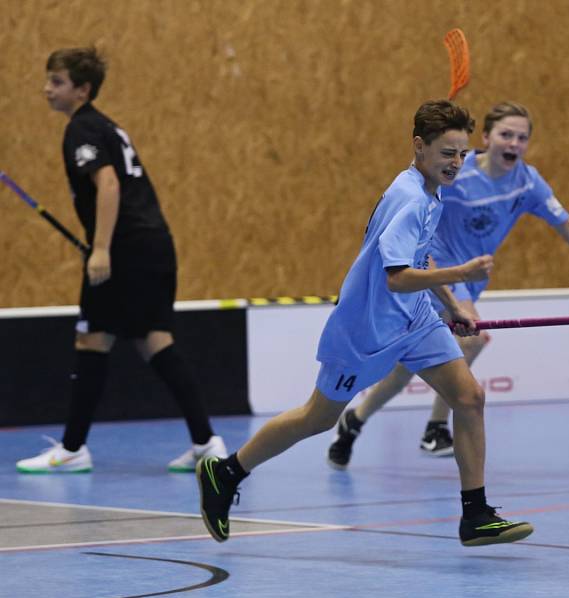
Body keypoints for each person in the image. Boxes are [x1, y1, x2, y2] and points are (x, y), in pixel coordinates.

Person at [196, 100, 533, 547]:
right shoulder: (411, 199)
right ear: (419, 146)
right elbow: (397, 276)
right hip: (367, 331)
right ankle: (226, 472)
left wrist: (451, 305)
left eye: (462, 153)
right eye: (447, 153)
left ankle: (476, 514)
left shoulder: (430, 190)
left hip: (414, 318)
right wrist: (460, 274)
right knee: (316, 417)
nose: (456, 163)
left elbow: (420, 254)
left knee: (469, 397)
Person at [327, 100, 569, 468]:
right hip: (436, 270)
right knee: (472, 337)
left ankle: (355, 421)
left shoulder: (528, 182)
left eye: (522, 138)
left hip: (470, 280)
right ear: (486, 138)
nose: (514, 143)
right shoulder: (456, 173)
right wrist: (450, 291)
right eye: (506, 135)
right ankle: (435, 429)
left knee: (405, 370)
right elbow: (418, 222)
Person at [16, 47, 226, 474]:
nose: (47, 90)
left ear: (82, 90)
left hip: (127, 250)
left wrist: (102, 248)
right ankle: (206, 442)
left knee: (94, 337)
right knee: (149, 340)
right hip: (152, 245)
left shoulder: (82, 129)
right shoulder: (105, 126)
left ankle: (73, 450)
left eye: (56, 83)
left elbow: (108, 185)